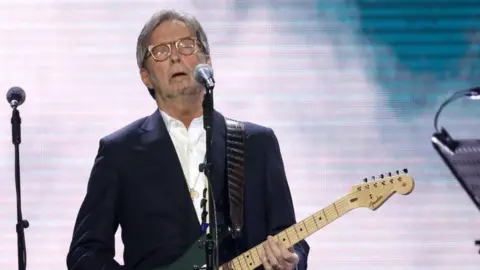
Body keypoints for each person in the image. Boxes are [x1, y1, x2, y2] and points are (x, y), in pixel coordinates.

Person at [66, 9, 309, 270]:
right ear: (145, 76)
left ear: (208, 61)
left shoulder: (257, 142)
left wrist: (291, 262)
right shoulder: (119, 152)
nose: (174, 57)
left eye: (186, 45)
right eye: (160, 51)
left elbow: (289, 236)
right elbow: (85, 252)